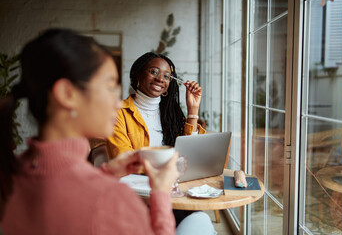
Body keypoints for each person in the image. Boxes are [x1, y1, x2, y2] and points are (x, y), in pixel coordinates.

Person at [0, 28, 215, 235]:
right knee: (201, 220)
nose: (117, 102)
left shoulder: (15, 174)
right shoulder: (109, 199)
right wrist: (159, 191)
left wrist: (106, 172)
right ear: (67, 94)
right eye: (110, 87)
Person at [106, 52, 206, 159]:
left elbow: (189, 154)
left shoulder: (170, 115)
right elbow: (123, 158)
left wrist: (193, 110)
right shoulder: (117, 113)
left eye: (166, 76)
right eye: (154, 72)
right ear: (138, 75)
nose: (160, 79)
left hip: (171, 174)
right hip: (140, 175)